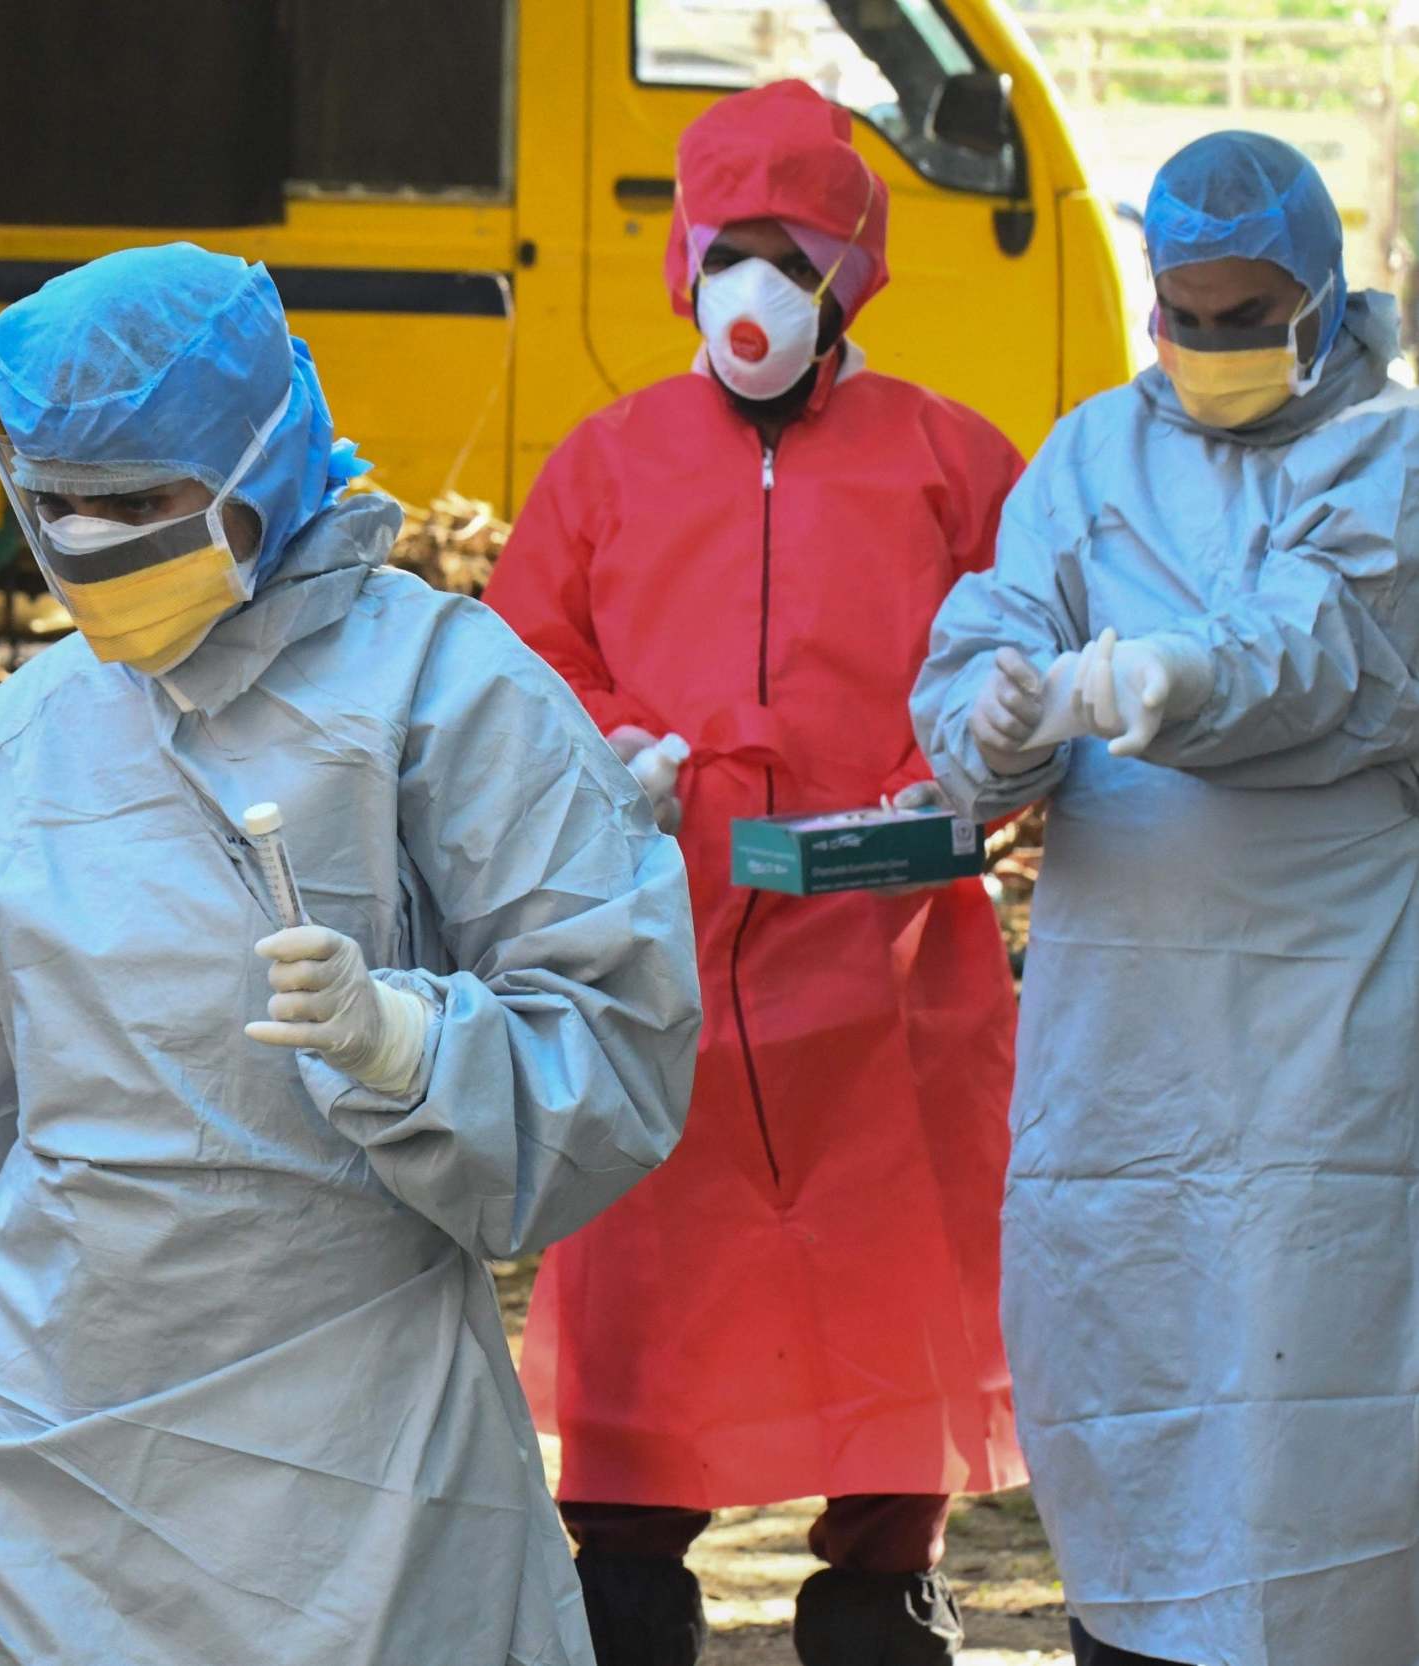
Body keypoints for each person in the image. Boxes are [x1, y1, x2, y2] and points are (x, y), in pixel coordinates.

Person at [0, 241, 703, 1664]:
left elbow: (618, 1040)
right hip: (23, 1448)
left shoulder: (445, 692)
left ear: (260, 458)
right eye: (56, 506)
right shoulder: (10, 749)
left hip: (344, 1463)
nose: (90, 540)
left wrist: (409, 1044)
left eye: (138, 504)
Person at [484, 80, 1028, 1666]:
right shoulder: (606, 464)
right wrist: (610, 754)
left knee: (889, 1255)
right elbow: (526, 649)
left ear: (852, 270)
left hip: (887, 964)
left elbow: (1016, 649)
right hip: (666, 952)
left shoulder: (947, 458)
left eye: (795, 256)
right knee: (657, 1268)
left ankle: (881, 1572)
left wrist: (971, 766)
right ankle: (631, 1563)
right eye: (733, 248)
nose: (757, 292)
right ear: (683, 257)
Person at [911, 132, 1419, 1666]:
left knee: (1318, 1382)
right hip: (1116, 1029)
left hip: (1326, 1019)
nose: (1208, 346)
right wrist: (983, 722)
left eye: (1243, 312)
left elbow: (1319, 652)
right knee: (1124, 1356)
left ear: (1323, 301)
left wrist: (1154, 676)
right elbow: (986, 634)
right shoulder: (1082, 460)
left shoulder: (1389, 461)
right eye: (1181, 314)